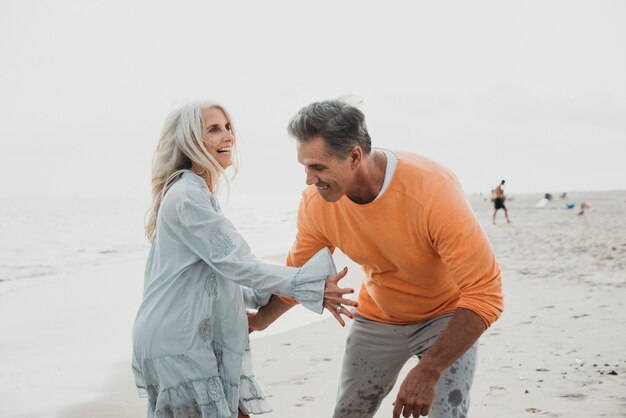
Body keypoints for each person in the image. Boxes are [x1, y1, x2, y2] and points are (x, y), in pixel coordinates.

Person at [249, 100, 504, 418]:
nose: (308, 179)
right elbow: (299, 277)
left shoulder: (432, 191)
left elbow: (486, 295)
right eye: (305, 166)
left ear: (354, 156)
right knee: (348, 413)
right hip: (379, 316)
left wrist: (429, 370)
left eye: (318, 167)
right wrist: (259, 321)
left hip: (446, 316)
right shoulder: (317, 204)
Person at [131, 100, 357, 418]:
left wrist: (274, 300)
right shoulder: (187, 196)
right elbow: (236, 264)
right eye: (213, 129)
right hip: (179, 339)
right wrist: (310, 287)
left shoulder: (193, 192)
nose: (227, 137)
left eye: (227, 128)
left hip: (186, 334)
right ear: (189, 141)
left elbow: (225, 271)